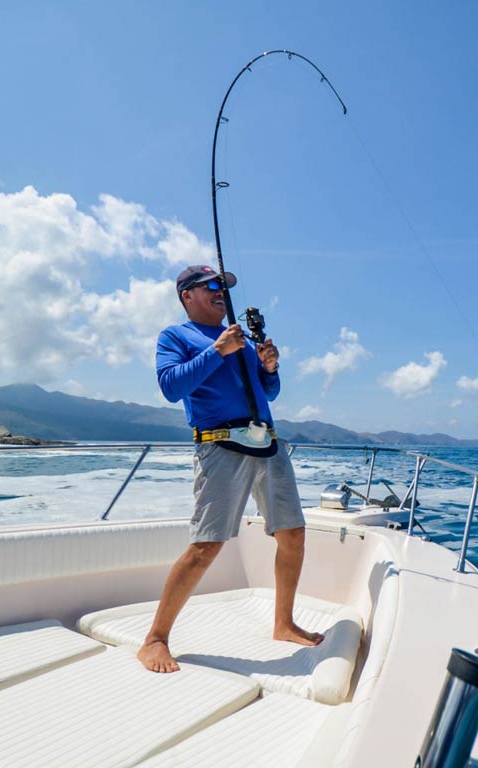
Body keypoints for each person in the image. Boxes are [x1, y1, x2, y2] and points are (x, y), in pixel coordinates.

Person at [137, 264, 323, 674]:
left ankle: (284, 623)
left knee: (292, 534)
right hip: (219, 447)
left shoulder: (240, 337)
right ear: (188, 295)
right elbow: (171, 387)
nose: (222, 292)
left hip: (268, 445)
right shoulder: (176, 336)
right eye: (212, 286)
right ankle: (155, 639)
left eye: (224, 287)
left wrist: (270, 368)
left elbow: (267, 391)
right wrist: (216, 351)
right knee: (207, 545)